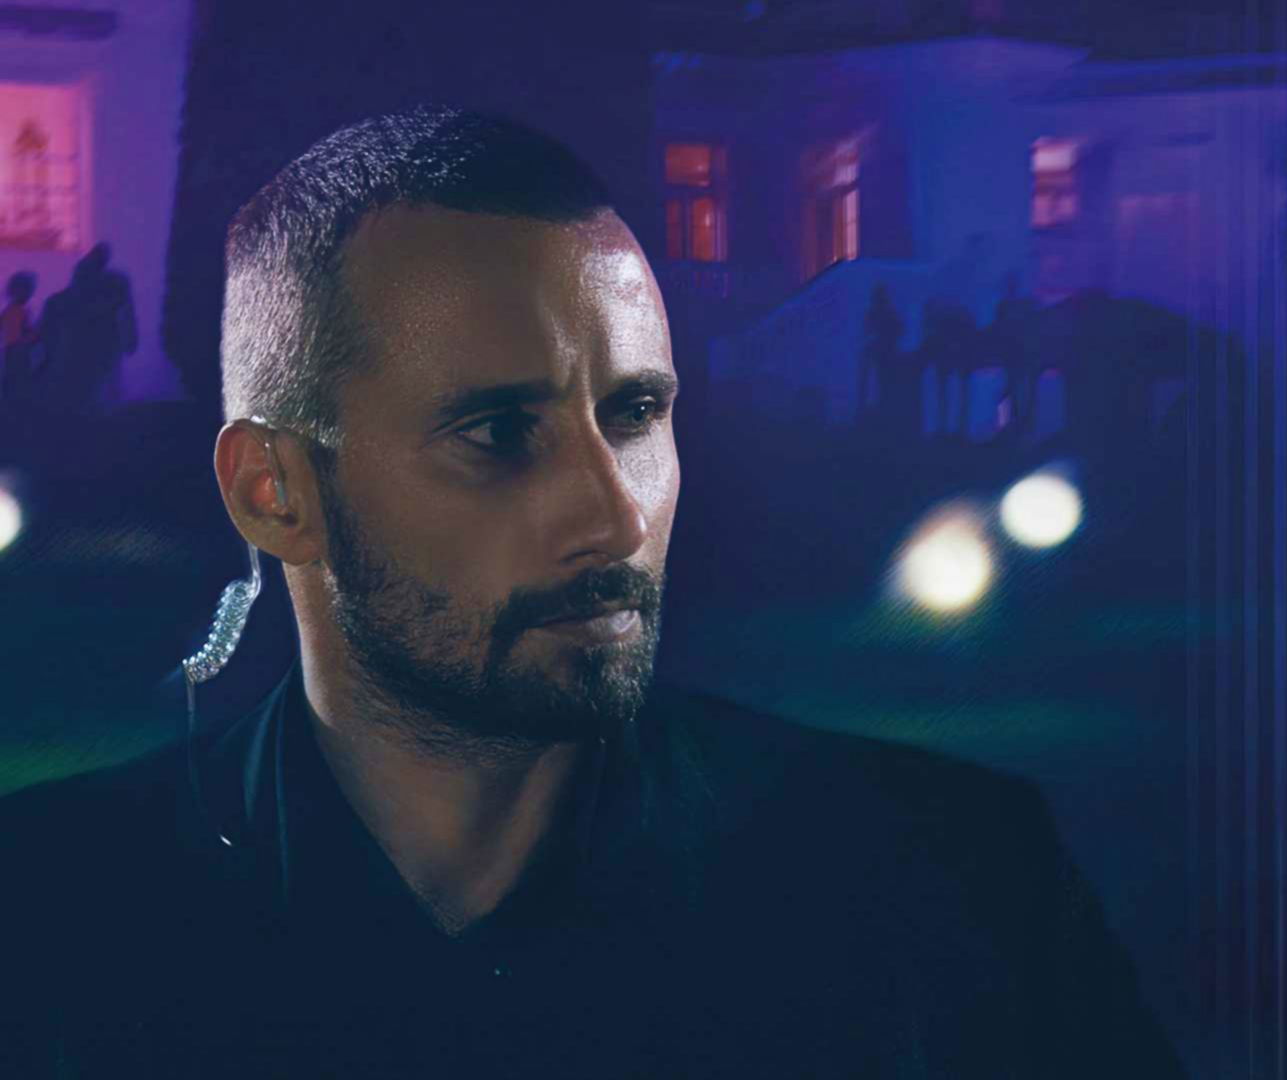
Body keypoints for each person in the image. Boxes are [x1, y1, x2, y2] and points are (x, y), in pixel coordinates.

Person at [0, 107, 1183, 1079]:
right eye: (499, 432)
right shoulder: (49, 930)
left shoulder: (948, 885)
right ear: (275, 491)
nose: (615, 517)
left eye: (635, 413)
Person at [35, 242, 137, 415]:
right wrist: (131, 338)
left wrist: (130, 337)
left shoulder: (113, 281)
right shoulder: (113, 281)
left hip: (99, 340)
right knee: (95, 383)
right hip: (94, 340)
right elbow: (127, 309)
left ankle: (97, 412)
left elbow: (127, 309)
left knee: (99, 382)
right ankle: (97, 412)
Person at [0, 269, 38, 407]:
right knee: (15, 390)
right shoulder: (16, 311)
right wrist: (35, 336)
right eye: (27, 288)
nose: (30, 292)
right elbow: (16, 338)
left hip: (14, 355)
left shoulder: (15, 310)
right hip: (17, 356)